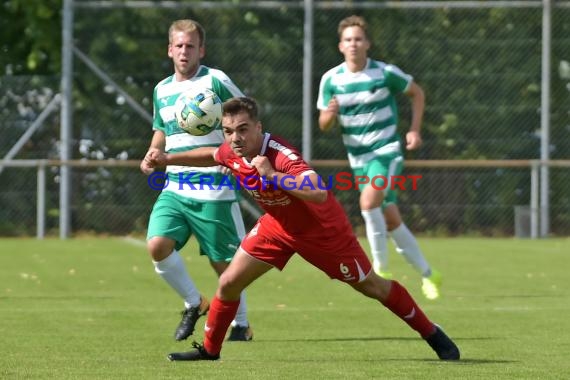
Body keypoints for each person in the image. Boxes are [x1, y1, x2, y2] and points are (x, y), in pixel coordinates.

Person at [146, 97, 460, 361]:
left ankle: (430, 331)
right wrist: (169, 158)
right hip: (278, 227)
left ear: (258, 127)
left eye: (242, 130)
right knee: (228, 282)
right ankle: (211, 351)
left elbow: (318, 191)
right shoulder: (232, 150)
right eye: (228, 131)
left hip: (323, 232)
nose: (235, 138)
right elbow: (213, 155)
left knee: (373, 288)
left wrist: (273, 175)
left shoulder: (280, 156)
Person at [139, 19, 252, 342]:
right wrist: (151, 153)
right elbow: (161, 129)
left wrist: (239, 156)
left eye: (190, 46)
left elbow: (245, 116)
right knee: (157, 245)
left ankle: (241, 324)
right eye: (179, 45)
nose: (184, 51)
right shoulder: (162, 89)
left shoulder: (215, 81)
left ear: (201, 49)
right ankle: (194, 303)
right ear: (169, 50)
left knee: (225, 266)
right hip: (175, 185)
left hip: (214, 186)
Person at [316, 15, 442, 300]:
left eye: (358, 39)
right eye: (348, 40)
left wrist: (414, 130)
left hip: (386, 151)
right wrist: (330, 114)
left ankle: (381, 270)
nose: (353, 44)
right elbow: (323, 124)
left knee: (368, 202)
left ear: (367, 44)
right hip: (358, 158)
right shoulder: (331, 79)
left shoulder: (385, 73)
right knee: (390, 218)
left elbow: (417, 93)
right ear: (340, 45)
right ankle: (429, 274)